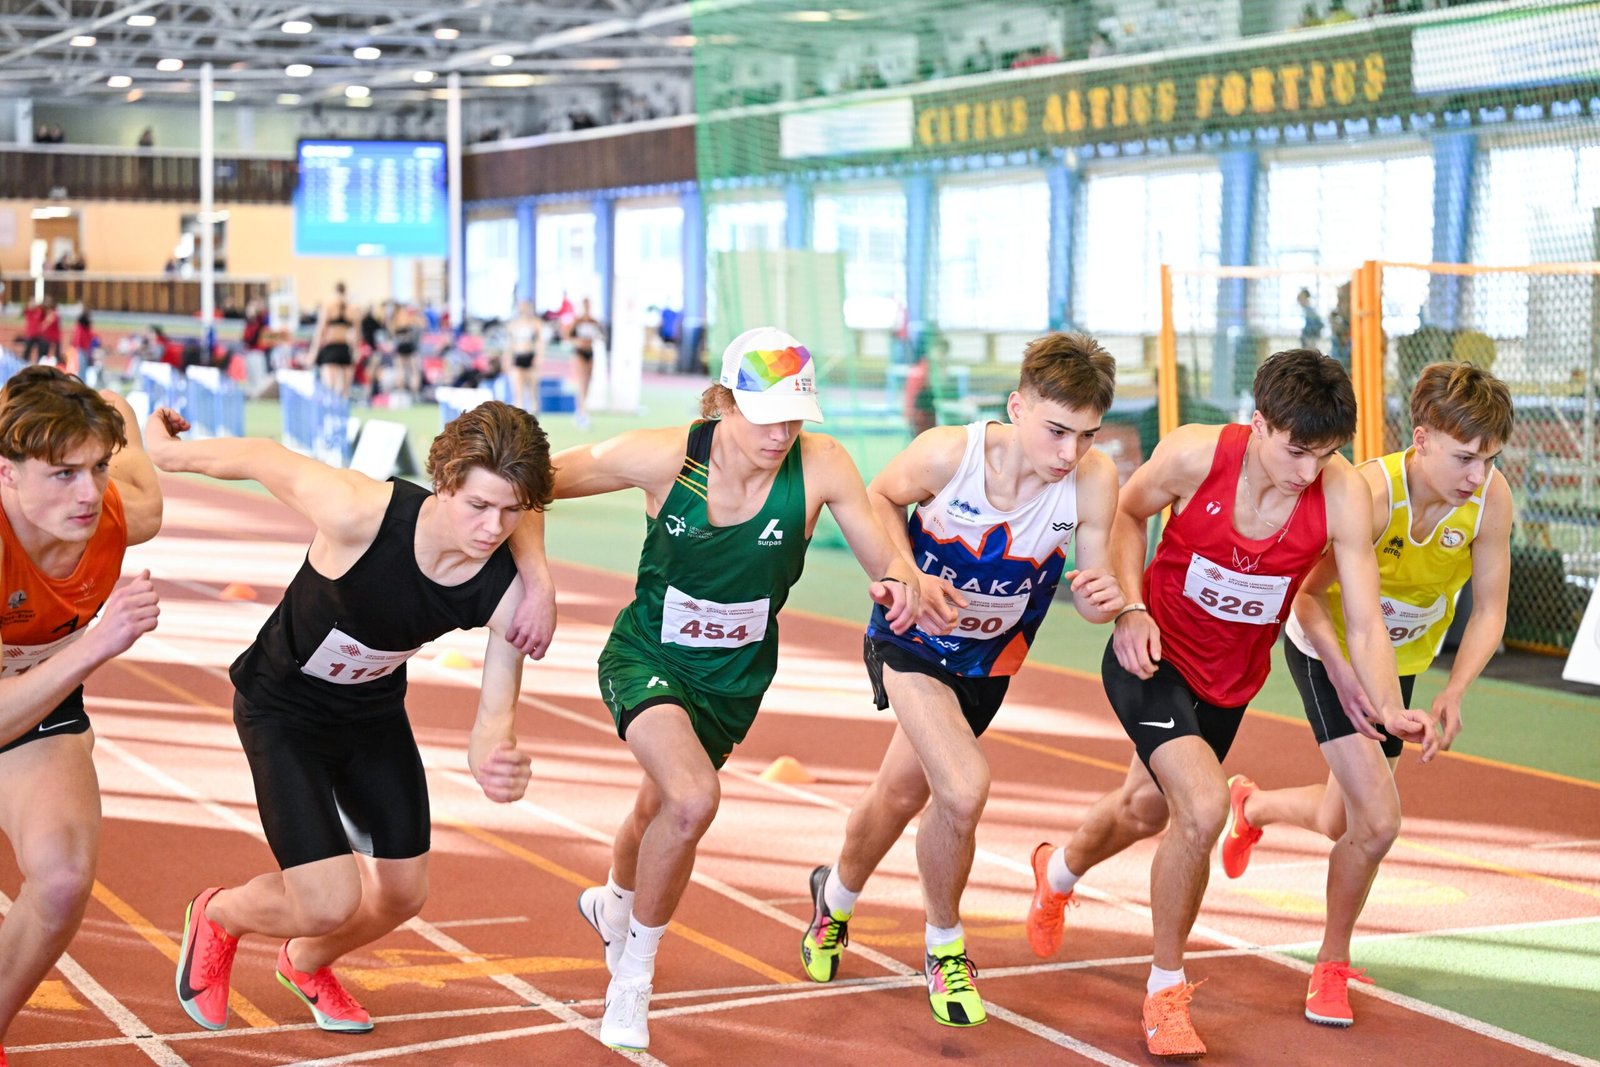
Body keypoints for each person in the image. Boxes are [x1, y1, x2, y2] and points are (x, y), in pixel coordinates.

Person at [1024, 349, 1436, 1060]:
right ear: (1260, 423)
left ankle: (1055, 872)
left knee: (1143, 809)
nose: (1308, 470)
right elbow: (1127, 514)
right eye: (1297, 450)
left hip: (1230, 681)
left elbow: (1366, 619)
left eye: (1325, 454)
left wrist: (1385, 703)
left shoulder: (1339, 492)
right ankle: (1164, 992)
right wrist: (1128, 609)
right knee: (1204, 806)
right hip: (1152, 657)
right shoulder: (1195, 454)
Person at [559, 326, 926, 1051]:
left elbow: (883, 560)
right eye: (766, 417)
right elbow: (527, 483)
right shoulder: (665, 456)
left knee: (659, 805)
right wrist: (531, 578)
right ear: (724, 402)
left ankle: (613, 905)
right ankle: (633, 977)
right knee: (693, 798)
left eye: (795, 418)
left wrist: (902, 584)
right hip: (645, 655)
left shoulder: (821, 464)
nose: (782, 434)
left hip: (734, 682)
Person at [148, 400, 558, 1035]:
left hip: (371, 716)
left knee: (403, 895)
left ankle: (306, 962)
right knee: (326, 899)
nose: (491, 528)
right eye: (478, 505)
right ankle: (220, 914)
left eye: (510, 512)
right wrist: (168, 454)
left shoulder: (505, 589)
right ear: (444, 482)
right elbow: (263, 457)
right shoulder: (357, 511)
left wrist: (495, 756)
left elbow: (493, 721)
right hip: (282, 709)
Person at [801, 332, 1126, 1027]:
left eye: (1087, 436)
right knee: (963, 786)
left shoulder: (1093, 479)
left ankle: (834, 900)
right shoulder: (950, 453)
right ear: (1017, 407)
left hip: (987, 662)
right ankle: (945, 948)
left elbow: (1094, 580)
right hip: (912, 638)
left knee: (899, 792)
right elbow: (879, 498)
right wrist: (907, 574)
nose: (1069, 453)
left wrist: (1107, 599)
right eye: (1057, 431)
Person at [1219, 361, 1513, 1027]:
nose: (1477, 475)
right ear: (1422, 438)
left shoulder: (1489, 499)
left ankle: (1251, 806)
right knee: (1377, 822)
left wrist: (1455, 690)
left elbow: (1491, 608)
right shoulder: (1373, 495)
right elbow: (1307, 597)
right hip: (1327, 649)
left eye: (1490, 459)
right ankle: (1331, 962)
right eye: (1465, 457)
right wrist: (1348, 676)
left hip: (1397, 661)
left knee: (1339, 819)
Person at [0, 367, 164, 1063]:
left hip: (39, 691)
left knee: (63, 877)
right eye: (62, 474)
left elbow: (128, 452)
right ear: (6, 474)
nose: (89, 493)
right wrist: (99, 642)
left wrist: (103, 408)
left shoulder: (125, 513)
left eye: (97, 467)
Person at [565, 297, 605, 430]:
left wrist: (596, 338)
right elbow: (568, 336)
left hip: (590, 353)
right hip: (579, 353)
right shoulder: (577, 321)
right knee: (581, 383)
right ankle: (582, 413)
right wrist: (577, 341)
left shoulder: (594, 322)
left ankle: (580, 410)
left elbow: (601, 335)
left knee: (588, 383)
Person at [312, 282, 356, 399]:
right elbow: (357, 333)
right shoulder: (351, 309)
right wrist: (355, 350)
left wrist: (313, 353)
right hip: (342, 348)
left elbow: (320, 331)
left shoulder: (329, 307)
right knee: (342, 390)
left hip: (333, 348)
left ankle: (333, 407)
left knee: (332, 389)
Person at [506, 299, 546, 414]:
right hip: (518, 357)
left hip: (530, 357)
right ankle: (518, 415)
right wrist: (507, 358)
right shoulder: (514, 325)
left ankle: (534, 414)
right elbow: (510, 344)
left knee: (532, 390)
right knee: (518, 390)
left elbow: (540, 342)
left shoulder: (536, 323)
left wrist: (538, 357)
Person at [388, 303, 424, 400]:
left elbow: (392, 333)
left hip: (403, 347)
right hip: (408, 346)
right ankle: (413, 394)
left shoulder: (395, 320)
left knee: (402, 371)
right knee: (412, 371)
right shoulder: (407, 318)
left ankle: (402, 394)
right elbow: (421, 324)